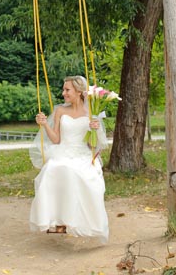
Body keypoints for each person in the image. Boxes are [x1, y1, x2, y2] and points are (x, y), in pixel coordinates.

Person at [29, 75, 109, 242]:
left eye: (67, 89)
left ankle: (81, 223)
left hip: (82, 154)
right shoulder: (60, 111)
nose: (63, 93)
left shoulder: (90, 113)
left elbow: (93, 144)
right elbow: (56, 139)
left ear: (79, 92)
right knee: (52, 170)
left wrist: (95, 129)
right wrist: (44, 125)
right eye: (63, 89)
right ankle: (56, 222)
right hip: (63, 152)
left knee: (75, 173)